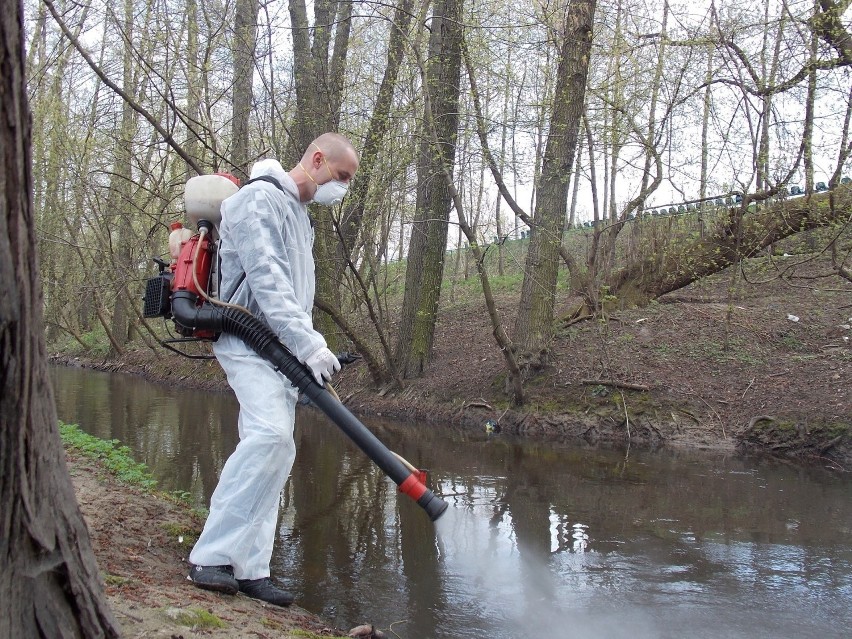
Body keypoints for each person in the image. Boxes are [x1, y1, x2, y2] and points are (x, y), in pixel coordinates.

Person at [188, 133, 360, 606]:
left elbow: (297, 293)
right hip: (246, 339)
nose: (342, 188)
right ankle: (211, 556)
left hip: (281, 351)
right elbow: (267, 279)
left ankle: (251, 568)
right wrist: (309, 343)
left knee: (278, 451)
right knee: (269, 437)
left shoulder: (299, 217)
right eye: (342, 177)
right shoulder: (257, 200)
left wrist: (307, 352)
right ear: (317, 159)